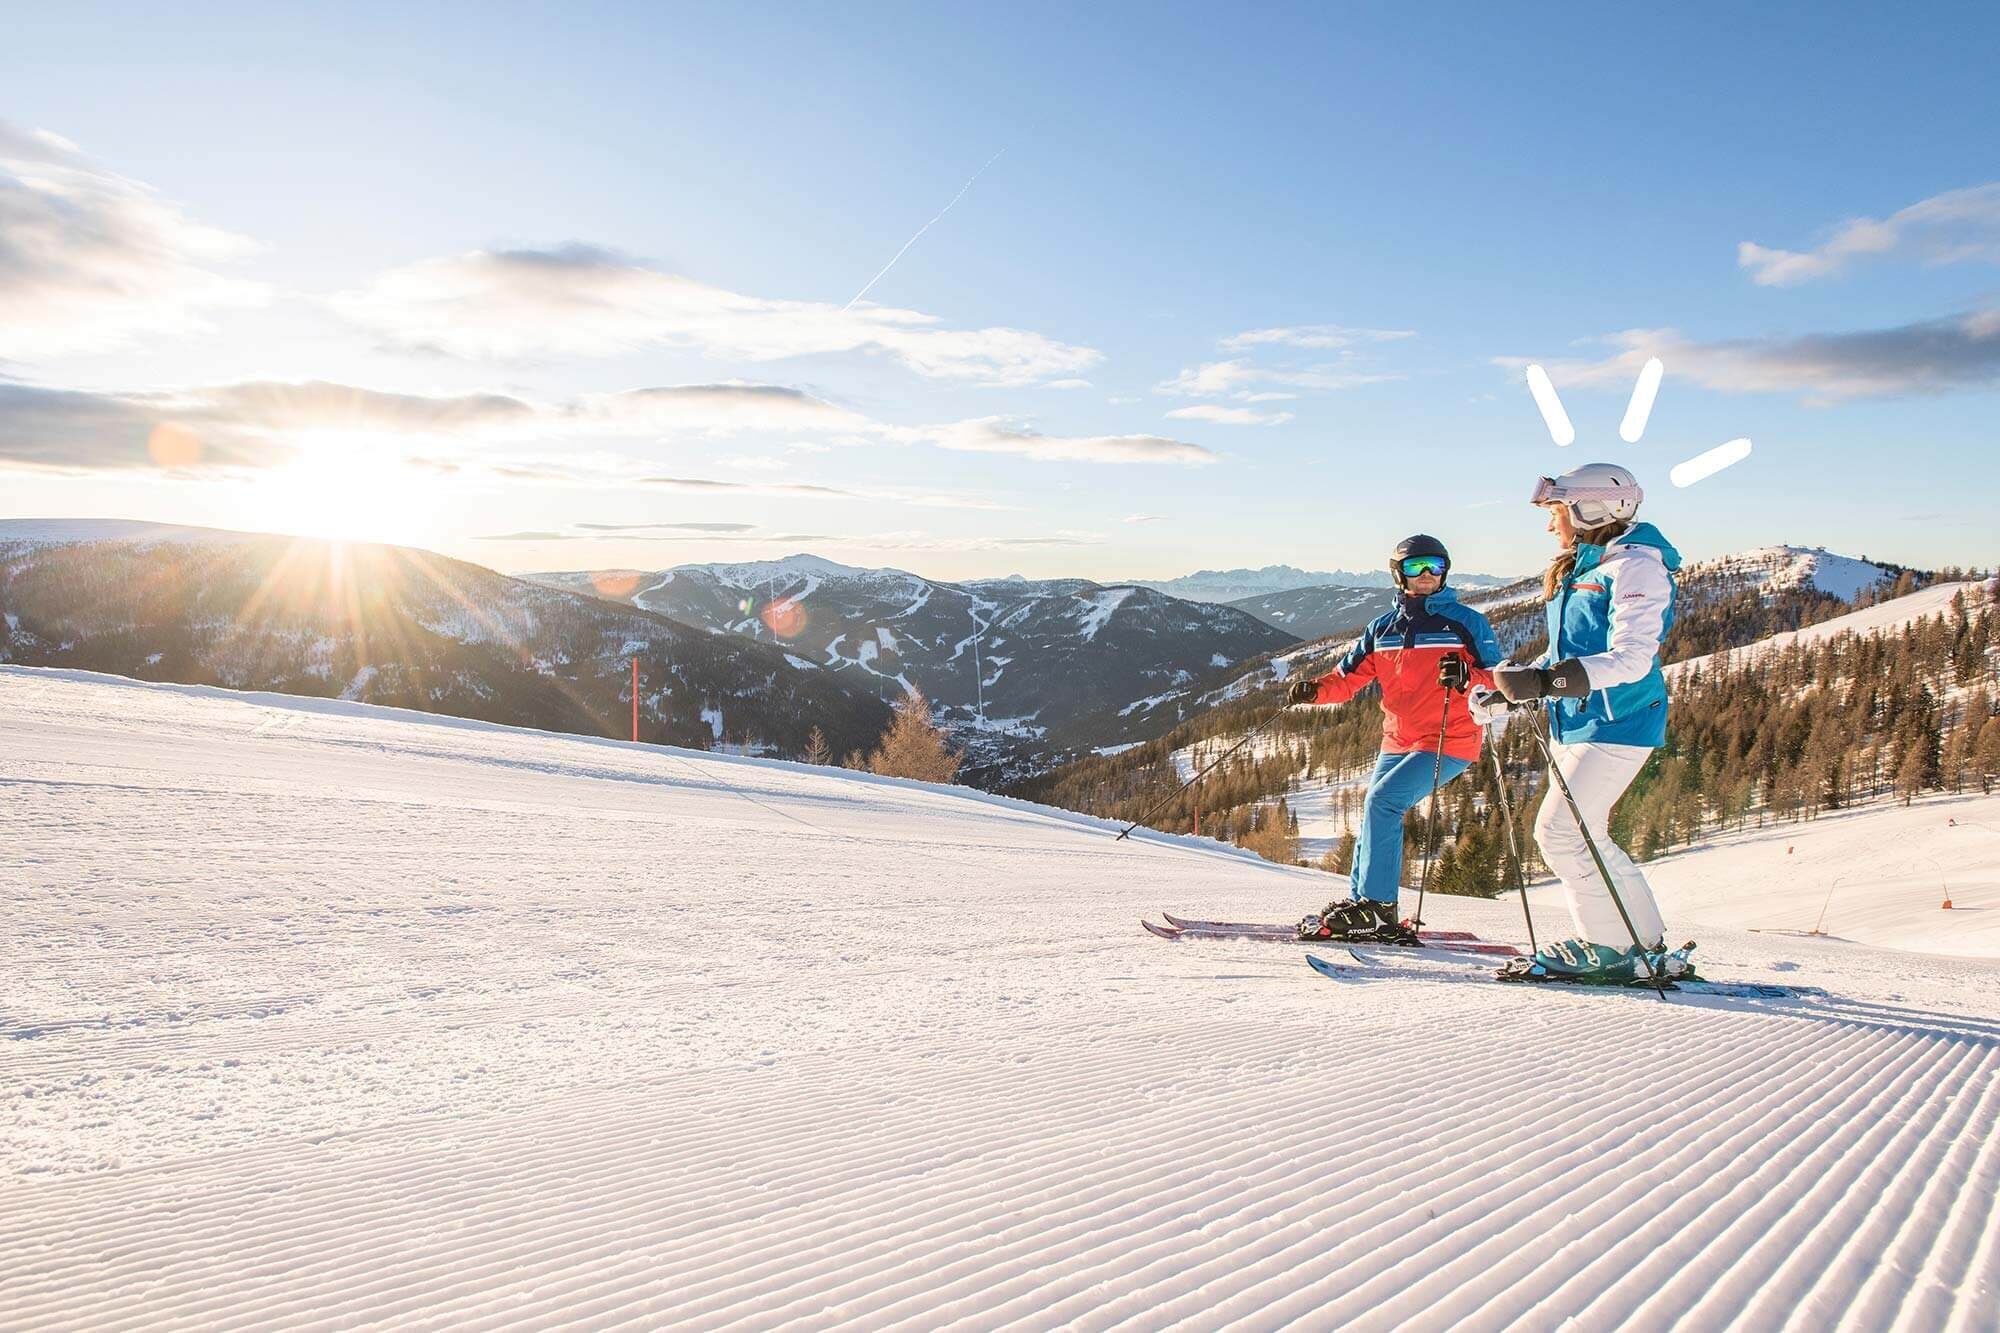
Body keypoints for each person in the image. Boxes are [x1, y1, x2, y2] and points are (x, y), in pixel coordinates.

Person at [1487, 463, 1695, 983]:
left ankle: (1607, 946)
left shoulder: (1636, 568)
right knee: (1588, 834)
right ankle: (1642, 941)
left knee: (1560, 833)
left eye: (1556, 512)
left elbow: (1632, 659)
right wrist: (1520, 687)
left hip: (1618, 720)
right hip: (1578, 722)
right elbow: (1572, 652)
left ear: (1590, 510)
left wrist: (1547, 684)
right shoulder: (1585, 566)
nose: (1550, 524)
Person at [1286, 535, 1504, 941]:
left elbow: (1498, 678)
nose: (1425, 576)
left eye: (1435, 568)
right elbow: (1347, 680)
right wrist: (1314, 690)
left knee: (1383, 802)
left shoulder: (1466, 623)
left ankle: (1379, 909)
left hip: (1448, 738)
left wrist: (1467, 677)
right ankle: (1362, 901)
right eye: (1415, 567)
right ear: (1398, 573)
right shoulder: (1382, 629)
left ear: (1445, 572)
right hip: (1398, 739)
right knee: (1375, 811)